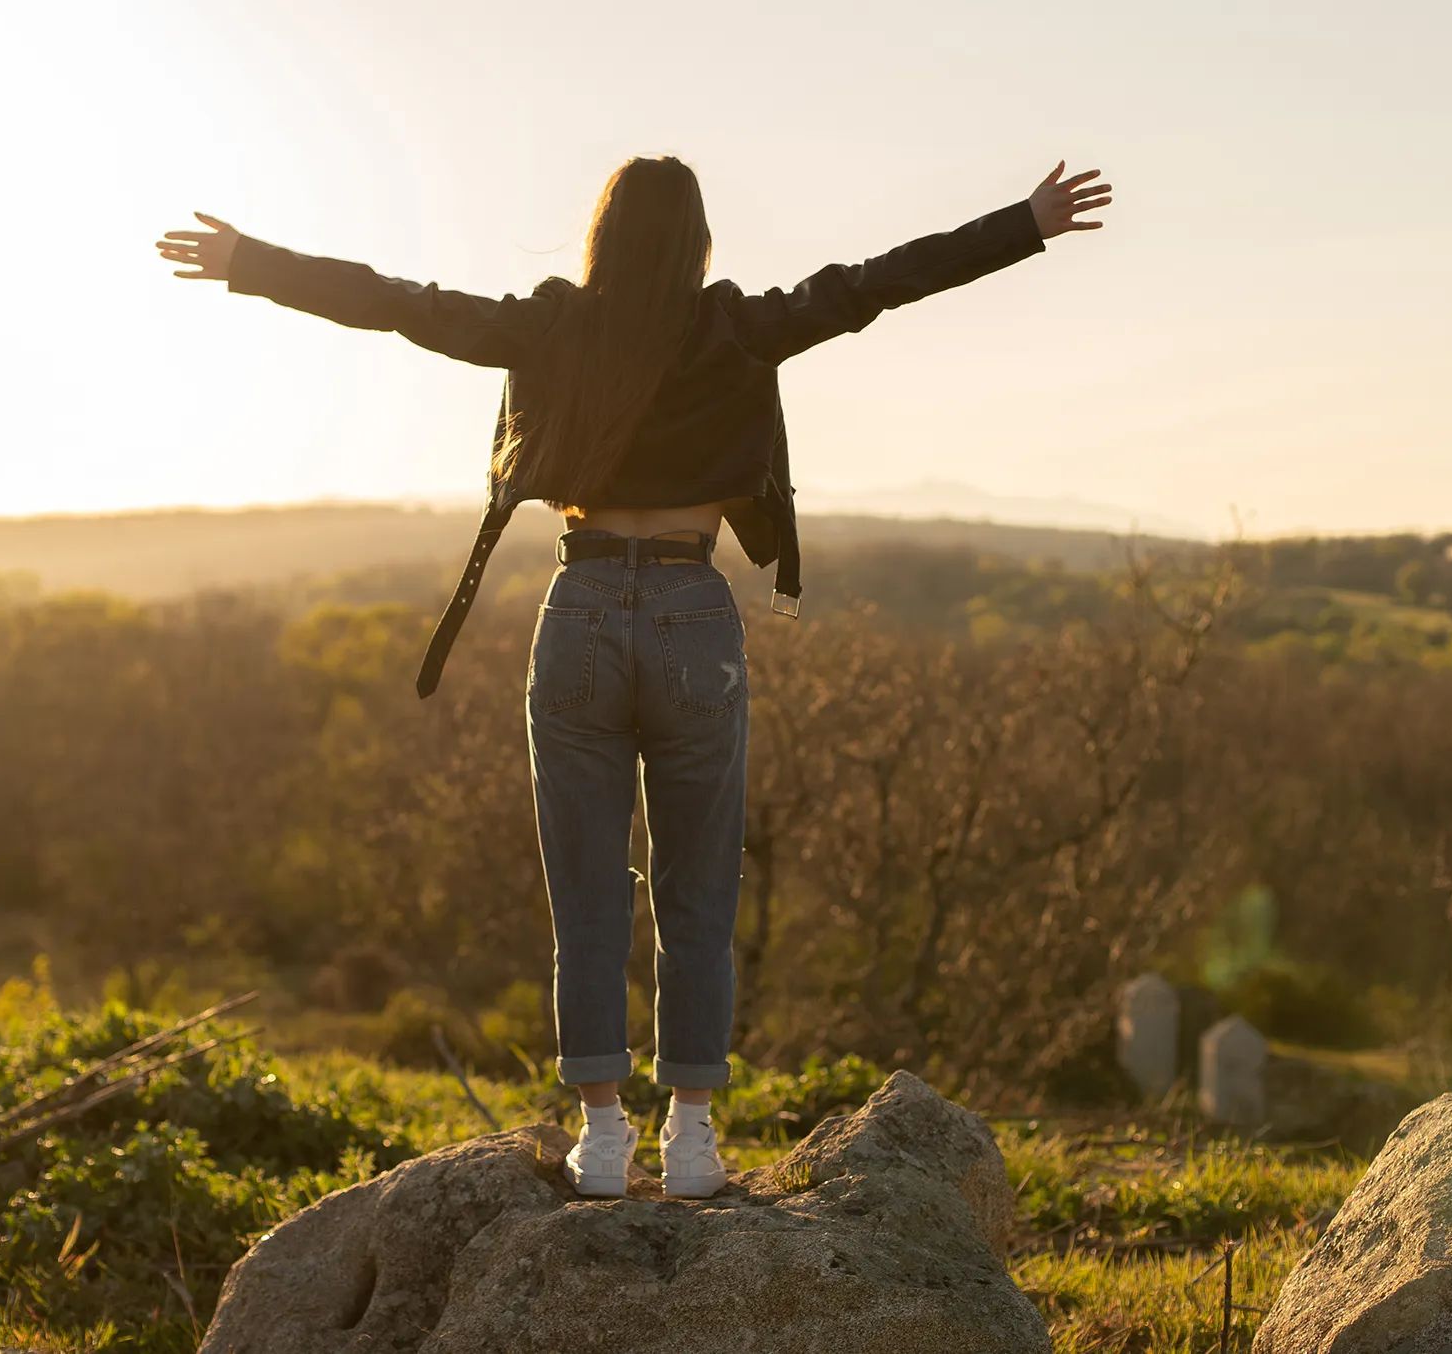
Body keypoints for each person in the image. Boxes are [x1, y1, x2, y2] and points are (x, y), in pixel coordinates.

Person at [157, 155, 1112, 1198]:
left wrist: (251, 261)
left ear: (601, 237)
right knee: (698, 892)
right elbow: (878, 281)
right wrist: (1024, 222)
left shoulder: (551, 327)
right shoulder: (738, 327)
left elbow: (398, 306)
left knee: (587, 899)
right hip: (692, 617)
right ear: (696, 242)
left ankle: (602, 1135)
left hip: (578, 617)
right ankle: (692, 1138)